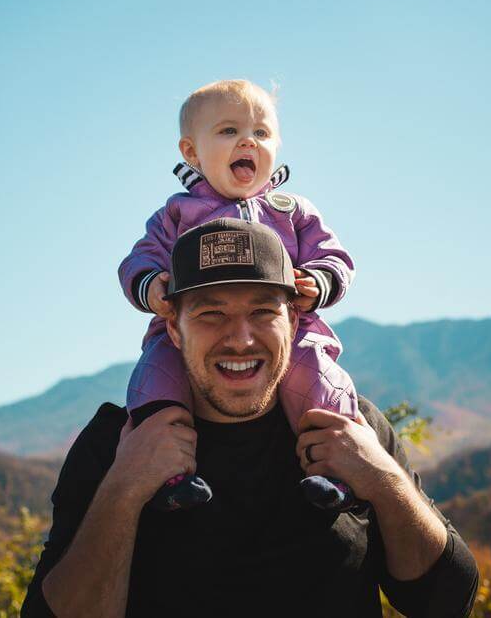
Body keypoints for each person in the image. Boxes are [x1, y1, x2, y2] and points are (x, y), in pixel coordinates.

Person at [21, 219, 480, 617]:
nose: (240, 340)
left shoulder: (352, 426)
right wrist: (124, 488)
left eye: (263, 311)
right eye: (210, 314)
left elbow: (446, 601)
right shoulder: (115, 442)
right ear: (174, 331)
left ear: (296, 323)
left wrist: (383, 479)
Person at [119, 79, 361, 511]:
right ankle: (170, 478)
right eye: (229, 131)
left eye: (262, 133)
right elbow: (139, 260)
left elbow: (335, 256)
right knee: (157, 380)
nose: (248, 140)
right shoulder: (177, 213)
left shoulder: (292, 211)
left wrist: (319, 281)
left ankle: (334, 475)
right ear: (191, 152)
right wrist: (151, 283)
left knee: (321, 383)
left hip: (292, 328)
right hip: (183, 334)